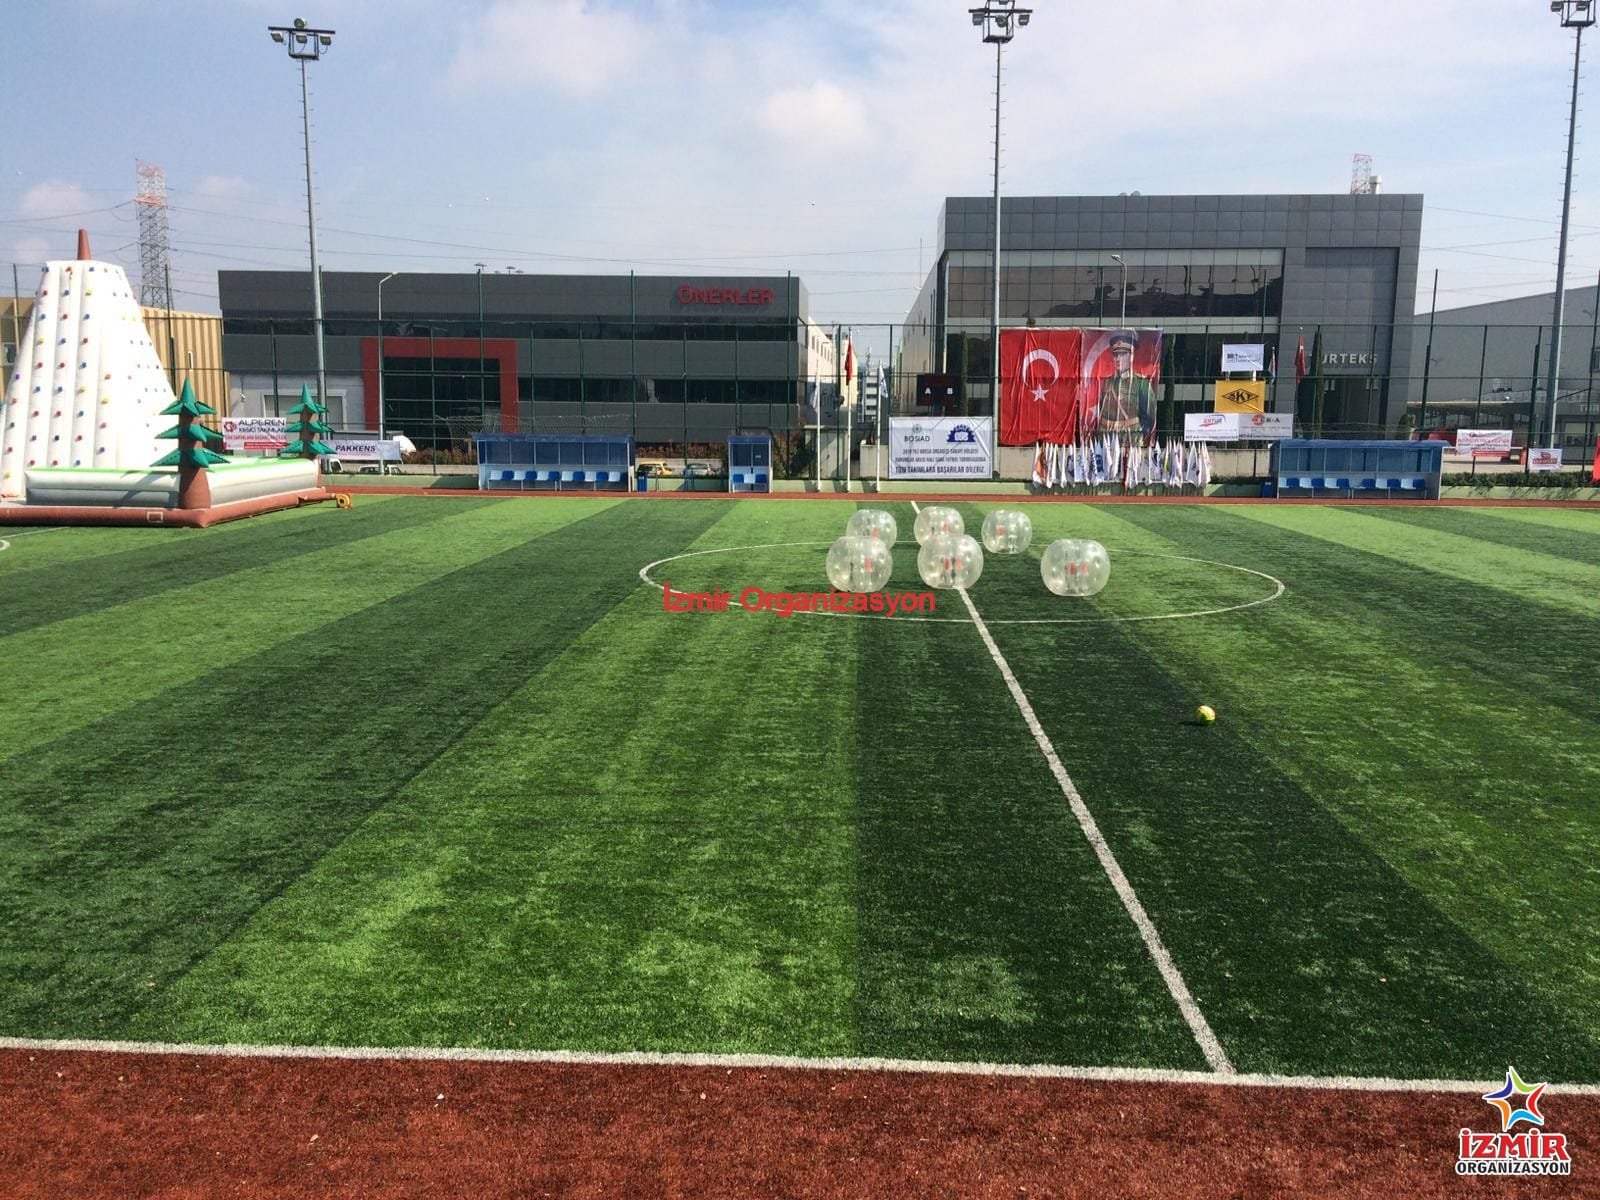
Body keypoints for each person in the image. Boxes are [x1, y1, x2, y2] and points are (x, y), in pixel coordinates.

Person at [1094, 330, 1154, 436]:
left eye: (1122, 354)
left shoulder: (1141, 383)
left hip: (1130, 437)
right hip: (1106, 436)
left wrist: (1139, 435)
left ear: (1131, 356)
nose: (1118, 359)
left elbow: (1149, 416)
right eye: (1115, 355)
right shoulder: (1107, 382)